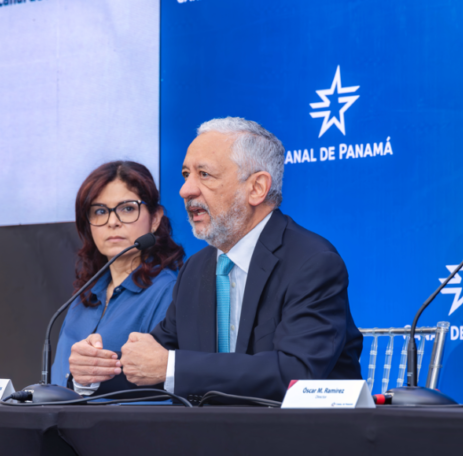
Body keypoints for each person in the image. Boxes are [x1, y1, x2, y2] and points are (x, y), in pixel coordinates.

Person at [108, 116, 363, 402]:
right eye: (185, 175)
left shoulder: (312, 262)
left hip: (297, 442)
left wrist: (171, 366)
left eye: (204, 174)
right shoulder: (196, 268)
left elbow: (297, 373)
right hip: (212, 441)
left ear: (256, 188)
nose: (185, 190)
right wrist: (94, 374)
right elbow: (154, 363)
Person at [51, 161, 184, 396]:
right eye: (100, 211)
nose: (112, 221)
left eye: (127, 208)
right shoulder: (83, 298)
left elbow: (162, 390)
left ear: (155, 218)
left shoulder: (170, 292)